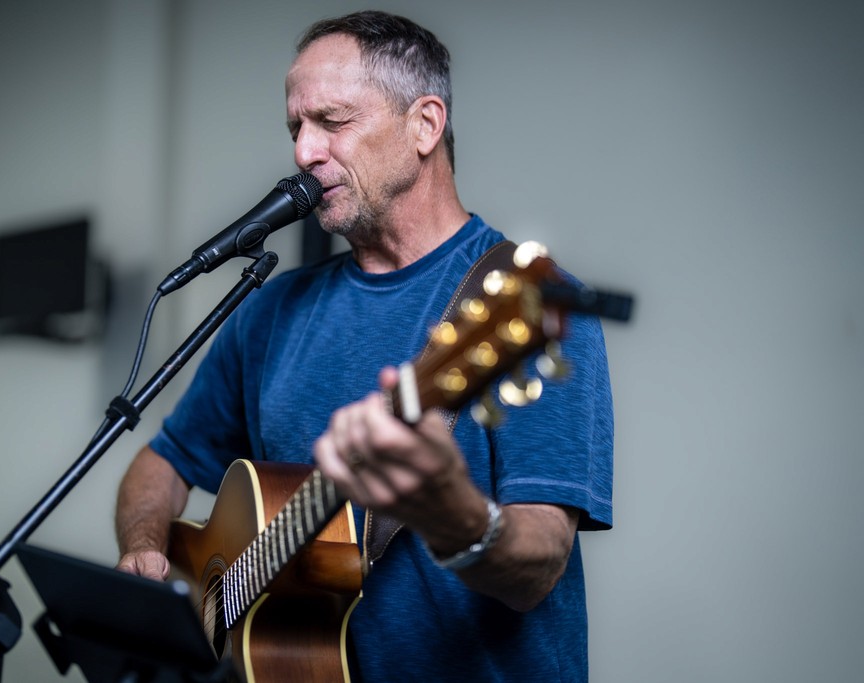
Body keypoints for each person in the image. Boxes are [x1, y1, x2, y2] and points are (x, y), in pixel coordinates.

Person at [115, 10, 613, 682]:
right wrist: (144, 547)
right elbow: (161, 463)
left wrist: (454, 515)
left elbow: (537, 567)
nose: (303, 152)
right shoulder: (269, 313)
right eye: (296, 127)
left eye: (332, 121)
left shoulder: (522, 303)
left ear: (425, 125)